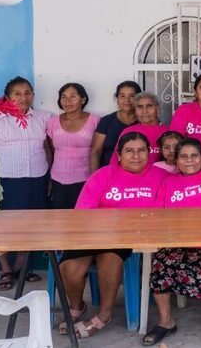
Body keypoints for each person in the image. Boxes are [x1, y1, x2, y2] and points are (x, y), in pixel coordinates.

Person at [60, 132, 166, 338]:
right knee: (70, 268)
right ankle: (76, 306)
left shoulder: (160, 176)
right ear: (119, 154)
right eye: (129, 151)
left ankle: (104, 315)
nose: (136, 156)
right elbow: (83, 212)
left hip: (128, 236)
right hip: (93, 233)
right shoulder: (102, 175)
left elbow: (159, 212)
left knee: (109, 261)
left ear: (149, 153)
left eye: (141, 150)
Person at [143, 138, 201, 348]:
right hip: (176, 240)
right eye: (183, 156)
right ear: (176, 161)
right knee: (161, 262)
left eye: (194, 156)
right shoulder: (168, 182)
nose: (189, 160)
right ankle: (166, 321)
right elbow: (157, 215)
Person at [0, 76, 53, 291]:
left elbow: (48, 149)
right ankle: (6, 269)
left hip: (36, 179)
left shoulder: (43, 118)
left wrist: (49, 178)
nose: (23, 98)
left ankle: (22, 265)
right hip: (4, 181)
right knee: (1, 225)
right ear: (8, 97)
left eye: (27, 93)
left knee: (30, 226)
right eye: (17, 94)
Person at [46, 82, 100, 209]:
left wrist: (95, 181)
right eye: (63, 97)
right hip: (58, 179)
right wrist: (49, 180)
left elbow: (98, 151)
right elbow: (52, 151)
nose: (67, 101)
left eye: (72, 96)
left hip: (85, 179)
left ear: (83, 99)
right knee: (59, 216)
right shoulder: (52, 122)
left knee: (83, 216)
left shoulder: (95, 121)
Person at [89, 80, 141, 172]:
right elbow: (96, 151)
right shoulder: (106, 121)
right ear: (117, 98)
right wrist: (95, 177)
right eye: (122, 96)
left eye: (132, 96)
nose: (127, 100)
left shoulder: (143, 122)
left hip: (138, 174)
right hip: (109, 174)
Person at [108, 92, 168, 166]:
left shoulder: (168, 132)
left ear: (157, 108)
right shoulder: (128, 132)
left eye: (149, 106)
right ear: (135, 110)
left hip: (162, 173)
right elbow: (116, 159)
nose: (145, 111)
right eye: (140, 107)